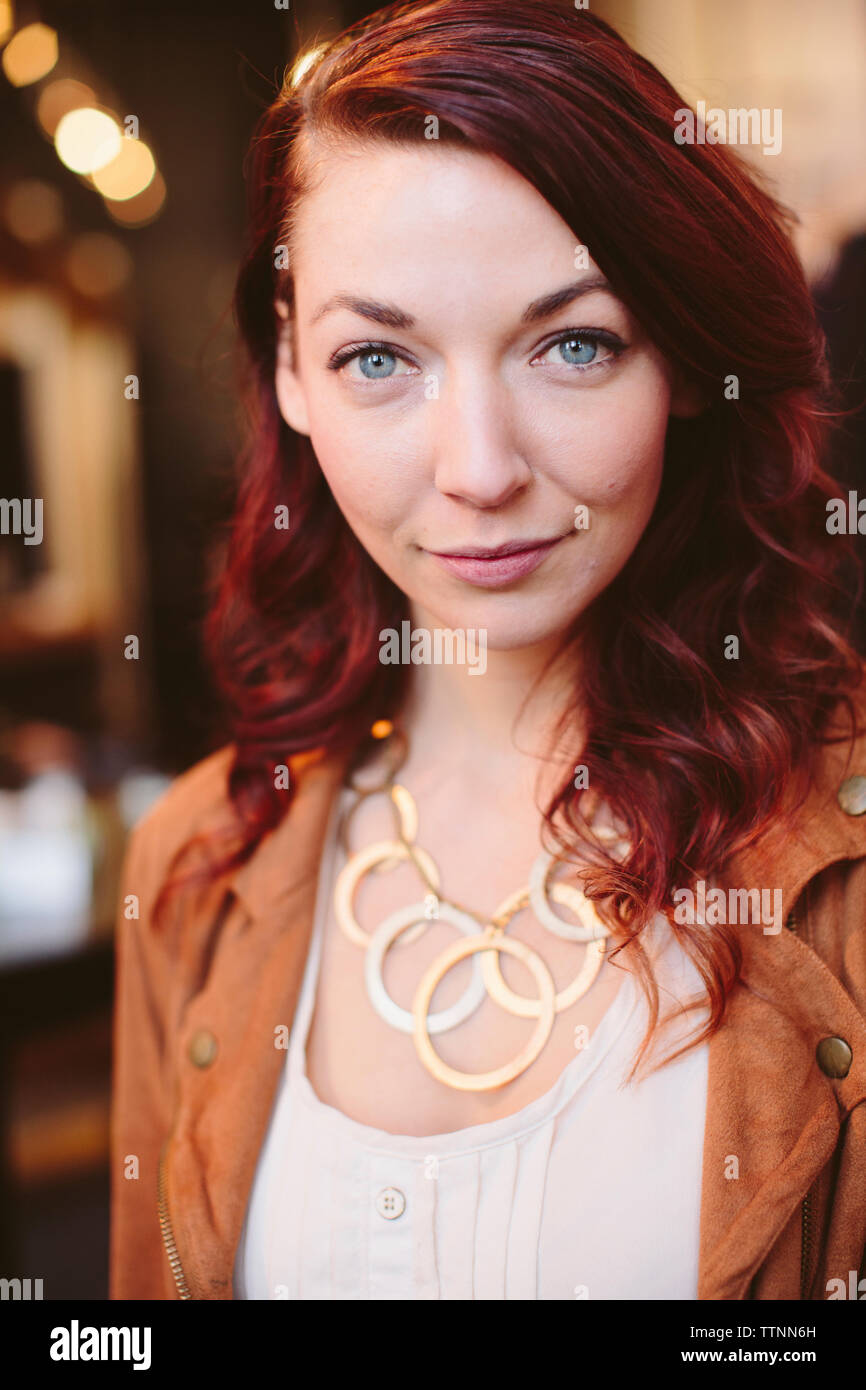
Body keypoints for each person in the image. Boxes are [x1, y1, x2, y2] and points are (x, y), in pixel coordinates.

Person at [109, 0, 866, 1301]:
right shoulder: (193, 860)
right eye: (377, 356)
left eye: (572, 343)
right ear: (289, 367)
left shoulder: (840, 872)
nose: (476, 470)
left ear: (679, 356)